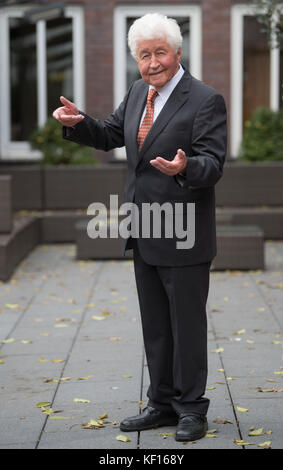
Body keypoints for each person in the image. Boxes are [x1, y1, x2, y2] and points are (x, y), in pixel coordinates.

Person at [53, 13, 227, 442]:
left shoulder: (205, 99)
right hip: (144, 228)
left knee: (186, 326)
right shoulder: (137, 93)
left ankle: (191, 410)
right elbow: (113, 132)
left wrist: (187, 166)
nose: (152, 63)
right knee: (156, 326)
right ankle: (162, 403)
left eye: (160, 52)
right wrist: (80, 124)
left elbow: (213, 163)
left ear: (178, 52)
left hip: (184, 231)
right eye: (144, 55)